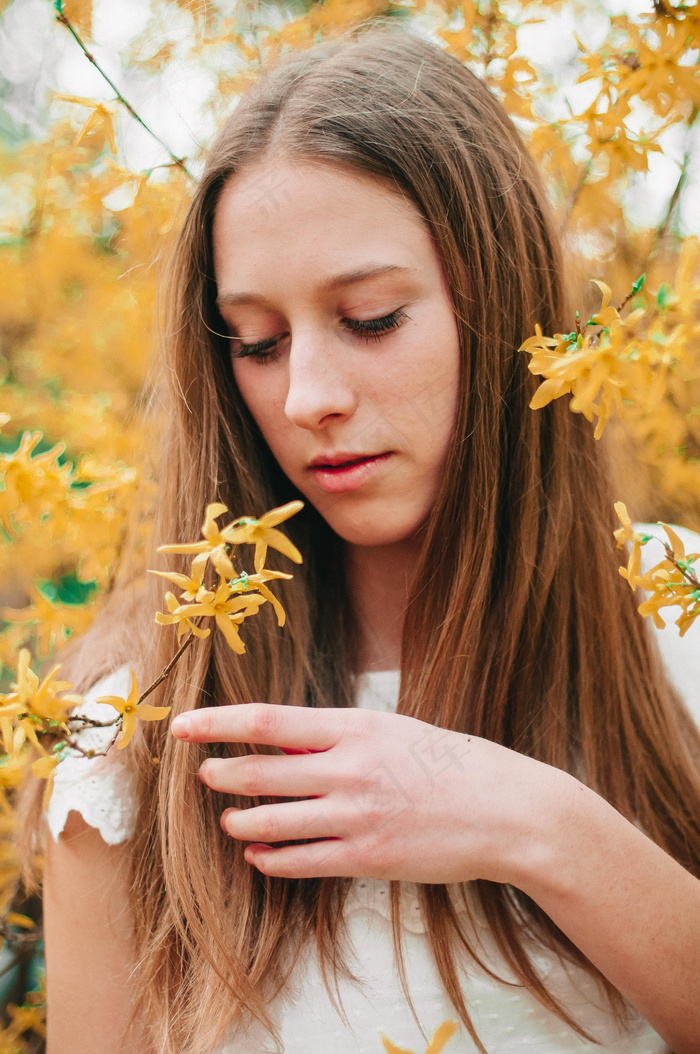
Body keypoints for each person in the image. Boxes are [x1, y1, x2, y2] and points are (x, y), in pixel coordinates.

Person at [24, 21, 700, 1054]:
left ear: (502, 299)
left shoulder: (676, 611)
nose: (307, 398)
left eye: (373, 318)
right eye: (256, 342)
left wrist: (541, 827)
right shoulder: (135, 729)